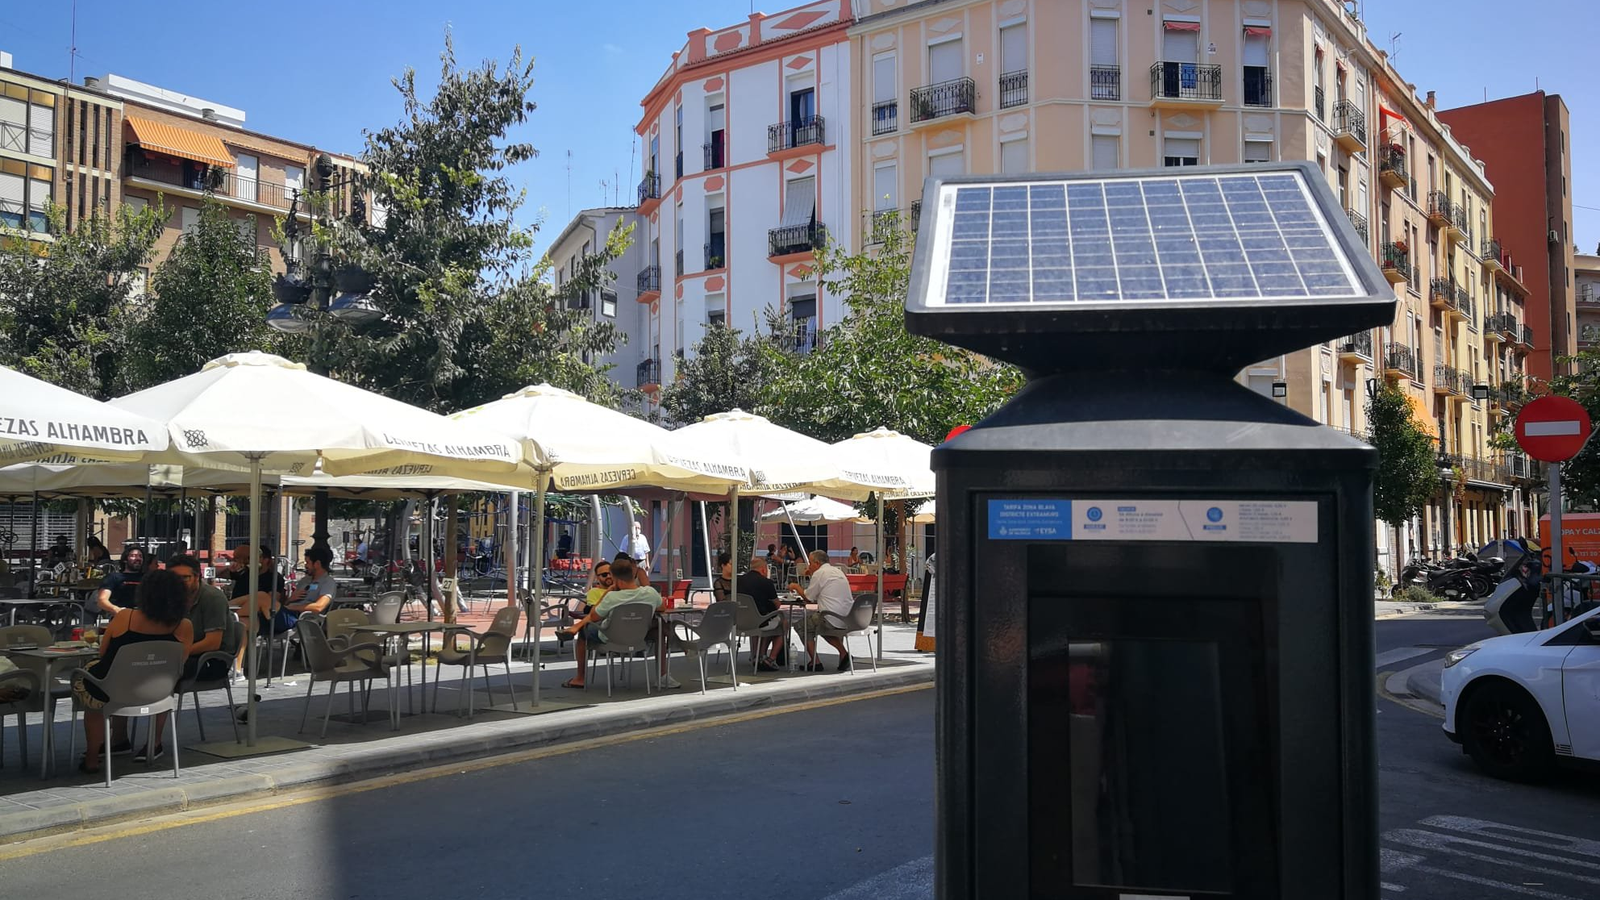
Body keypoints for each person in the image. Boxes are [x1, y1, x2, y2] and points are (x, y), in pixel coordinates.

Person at [72, 569, 193, 774]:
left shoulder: (125, 617)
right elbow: (179, 662)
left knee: (88, 682)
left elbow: (103, 653)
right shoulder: (184, 626)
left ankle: (92, 757)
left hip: (113, 690)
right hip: (157, 693)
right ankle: (146, 742)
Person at [136, 554, 236, 762]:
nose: (179, 583)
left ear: (197, 577)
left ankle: (154, 742)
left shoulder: (212, 598)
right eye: (175, 578)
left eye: (185, 578)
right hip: (180, 653)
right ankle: (117, 739)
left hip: (212, 660)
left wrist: (178, 653)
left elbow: (213, 642)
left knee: (162, 674)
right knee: (128, 669)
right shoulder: (170, 596)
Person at [561, 557, 678, 689]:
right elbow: (662, 608)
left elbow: (593, 616)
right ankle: (662, 675)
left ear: (617, 580)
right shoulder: (650, 593)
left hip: (612, 638)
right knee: (659, 631)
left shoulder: (612, 597)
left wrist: (608, 591)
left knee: (584, 632)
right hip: (639, 637)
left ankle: (580, 678)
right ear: (633, 575)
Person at [790, 549, 856, 672]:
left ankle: (815, 661)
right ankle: (843, 654)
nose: (809, 566)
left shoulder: (819, 573)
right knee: (819, 626)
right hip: (847, 616)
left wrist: (795, 586)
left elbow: (808, 597)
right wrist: (811, 575)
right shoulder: (837, 571)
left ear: (817, 563)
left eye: (810, 563)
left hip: (829, 616)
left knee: (801, 626)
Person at [227, 544, 286, 676]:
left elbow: (272, 600)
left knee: (241, 621)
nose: (250, 561)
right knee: (240, 624)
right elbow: (220, 572)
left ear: (265, 560)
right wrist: (232, 568)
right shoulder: (245, 574)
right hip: (245, 614)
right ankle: (236, 668)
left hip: (263, 616)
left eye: (253, 558)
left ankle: (226, 611)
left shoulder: (273, 577)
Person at [738, 556, 788, 671]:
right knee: (783, 623)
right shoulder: (766, 582)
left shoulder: (738, 581)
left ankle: (758, 656)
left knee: (767, 623)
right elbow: (777, 605)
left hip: (741, 622)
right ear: (764, 569)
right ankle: (770, 659)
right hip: (760, 621)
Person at [285, 546, 339, 620]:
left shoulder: (327, 583)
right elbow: (287, 603)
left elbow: (319, 607)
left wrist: (291, 608)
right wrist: (290, 599)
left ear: (317, 564)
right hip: (290, 613)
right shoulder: (305, 580)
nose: (305, 566)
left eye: (308, 562)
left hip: (302, 618)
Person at [92, 545, 146, 618]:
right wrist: (116, 610)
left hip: (143, 617)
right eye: (133, 556)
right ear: (125, 560)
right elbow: (102, 600)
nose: (138, 558)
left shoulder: (148, 578)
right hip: (121, 617)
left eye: (140, 556)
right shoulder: (113, 577)